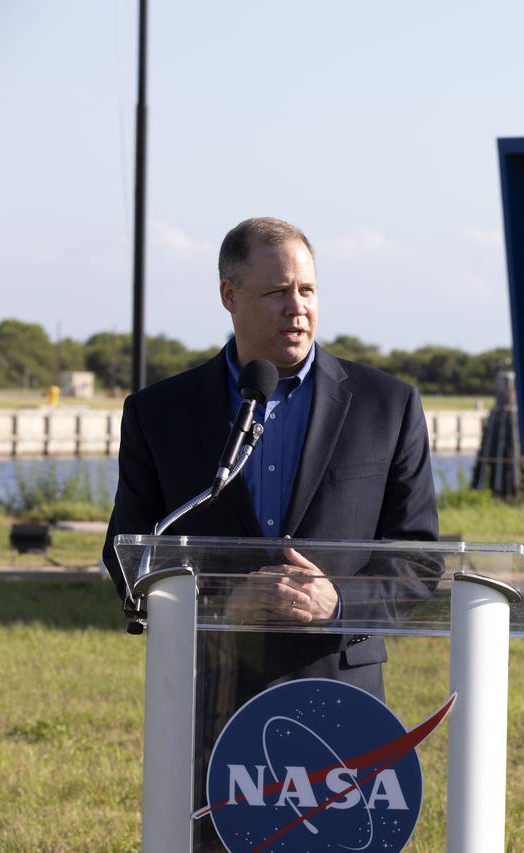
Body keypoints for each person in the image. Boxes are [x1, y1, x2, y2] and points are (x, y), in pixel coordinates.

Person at [102, 216, 439, 699]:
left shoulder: (387, 405)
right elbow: (128, 553)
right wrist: (223, 604)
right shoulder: (158, 413)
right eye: (277, 292)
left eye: (307, 290)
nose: (297, 308)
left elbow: (418, 560)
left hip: (341, 684)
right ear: (229, 295)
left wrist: (339, 602)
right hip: (210, 685)